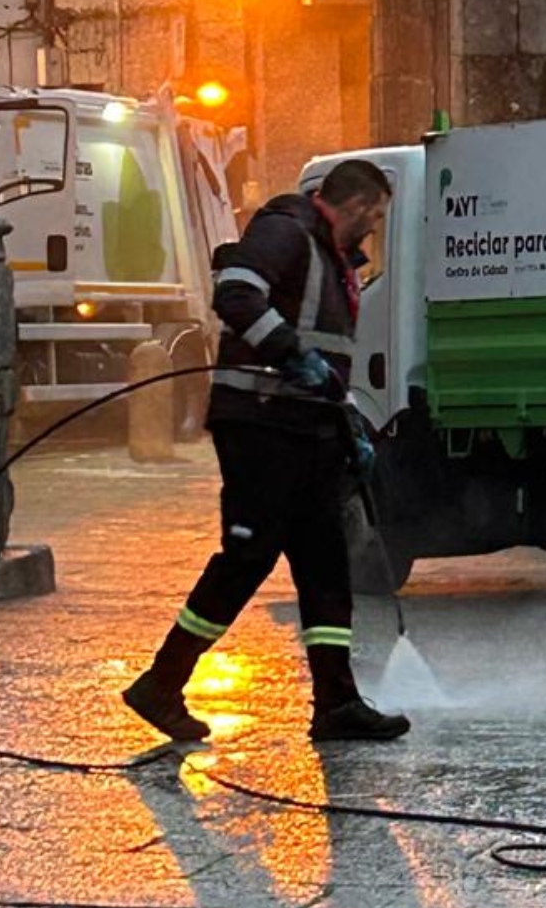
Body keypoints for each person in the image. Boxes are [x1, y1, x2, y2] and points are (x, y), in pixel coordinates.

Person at [123, 158, 410, 744]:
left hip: (305, 428)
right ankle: (161, 682)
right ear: (353, 206)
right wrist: (290, 354)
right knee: (248, 557)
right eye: (374, 218)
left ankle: (336, 704)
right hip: (260, 425)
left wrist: (346, 419)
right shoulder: (285, 232)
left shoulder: (330, 261)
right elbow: (235, 293)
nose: (373, 231)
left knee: (326, 563)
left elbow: (326, 358)